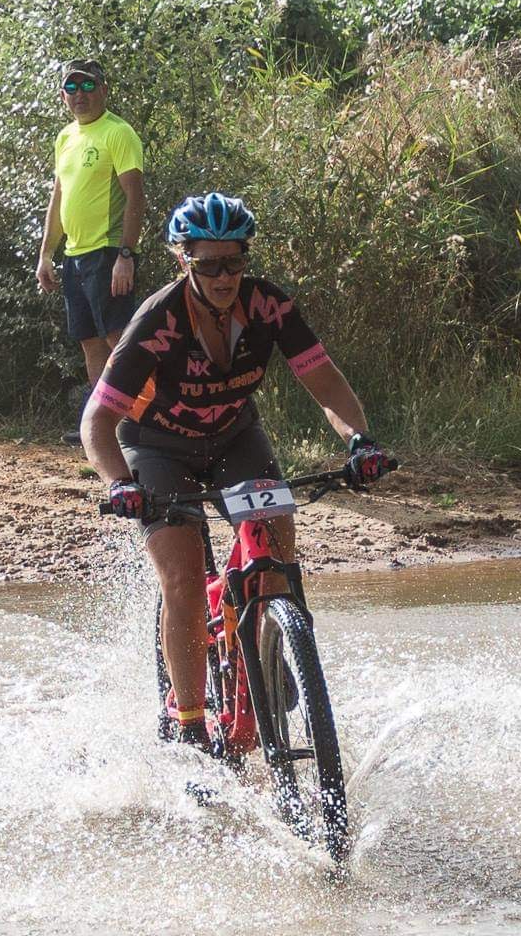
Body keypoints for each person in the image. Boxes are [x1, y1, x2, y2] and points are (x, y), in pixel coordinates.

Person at [79, 192, 392, 754]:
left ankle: (276, 646)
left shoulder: (269, 306)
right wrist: (119, 484)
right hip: (156, 447)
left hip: (233, 439)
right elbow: (96, 421)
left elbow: (325, 383)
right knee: (183, 575)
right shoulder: (158, 320)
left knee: (276, 541)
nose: (225, 276)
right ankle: (193, 723)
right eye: (209, 264)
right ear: (184, 261)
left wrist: (359, 441)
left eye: (235, 262)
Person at [36, 58, 145, 443]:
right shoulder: (66, 137)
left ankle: (149, 424)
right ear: (62, 94)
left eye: (87, 86)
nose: (79, 95)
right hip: (75, 256)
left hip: (108, 253)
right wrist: (46, 253)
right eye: (71, 88)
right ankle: (102, 428)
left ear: (103, 88)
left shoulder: (118, 133)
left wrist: (126, 255)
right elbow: (59, 196)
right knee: (90, 342)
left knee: (120, 339)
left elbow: (135, 197)